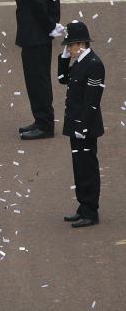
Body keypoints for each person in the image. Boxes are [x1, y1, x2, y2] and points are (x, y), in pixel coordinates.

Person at [11, 0, 61, 140]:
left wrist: (48, 25)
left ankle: (45, 123)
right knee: (41, 78)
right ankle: (42, 119)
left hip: (33, 33)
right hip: (43, 32)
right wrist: (53, 23)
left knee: (35, 81)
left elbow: (34, 2)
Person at [57, 21, 104, 228]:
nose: (68, 48)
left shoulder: (94, 64)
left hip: (85, 126)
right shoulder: (80, 61)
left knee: (88, 168)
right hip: (75, 124)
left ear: (82, 43)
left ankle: (90, 211)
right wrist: (65, 58)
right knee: (79, 167)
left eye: (71, 45)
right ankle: (83, 206)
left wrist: (82, 128)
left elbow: (92, 101)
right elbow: (62, 79)